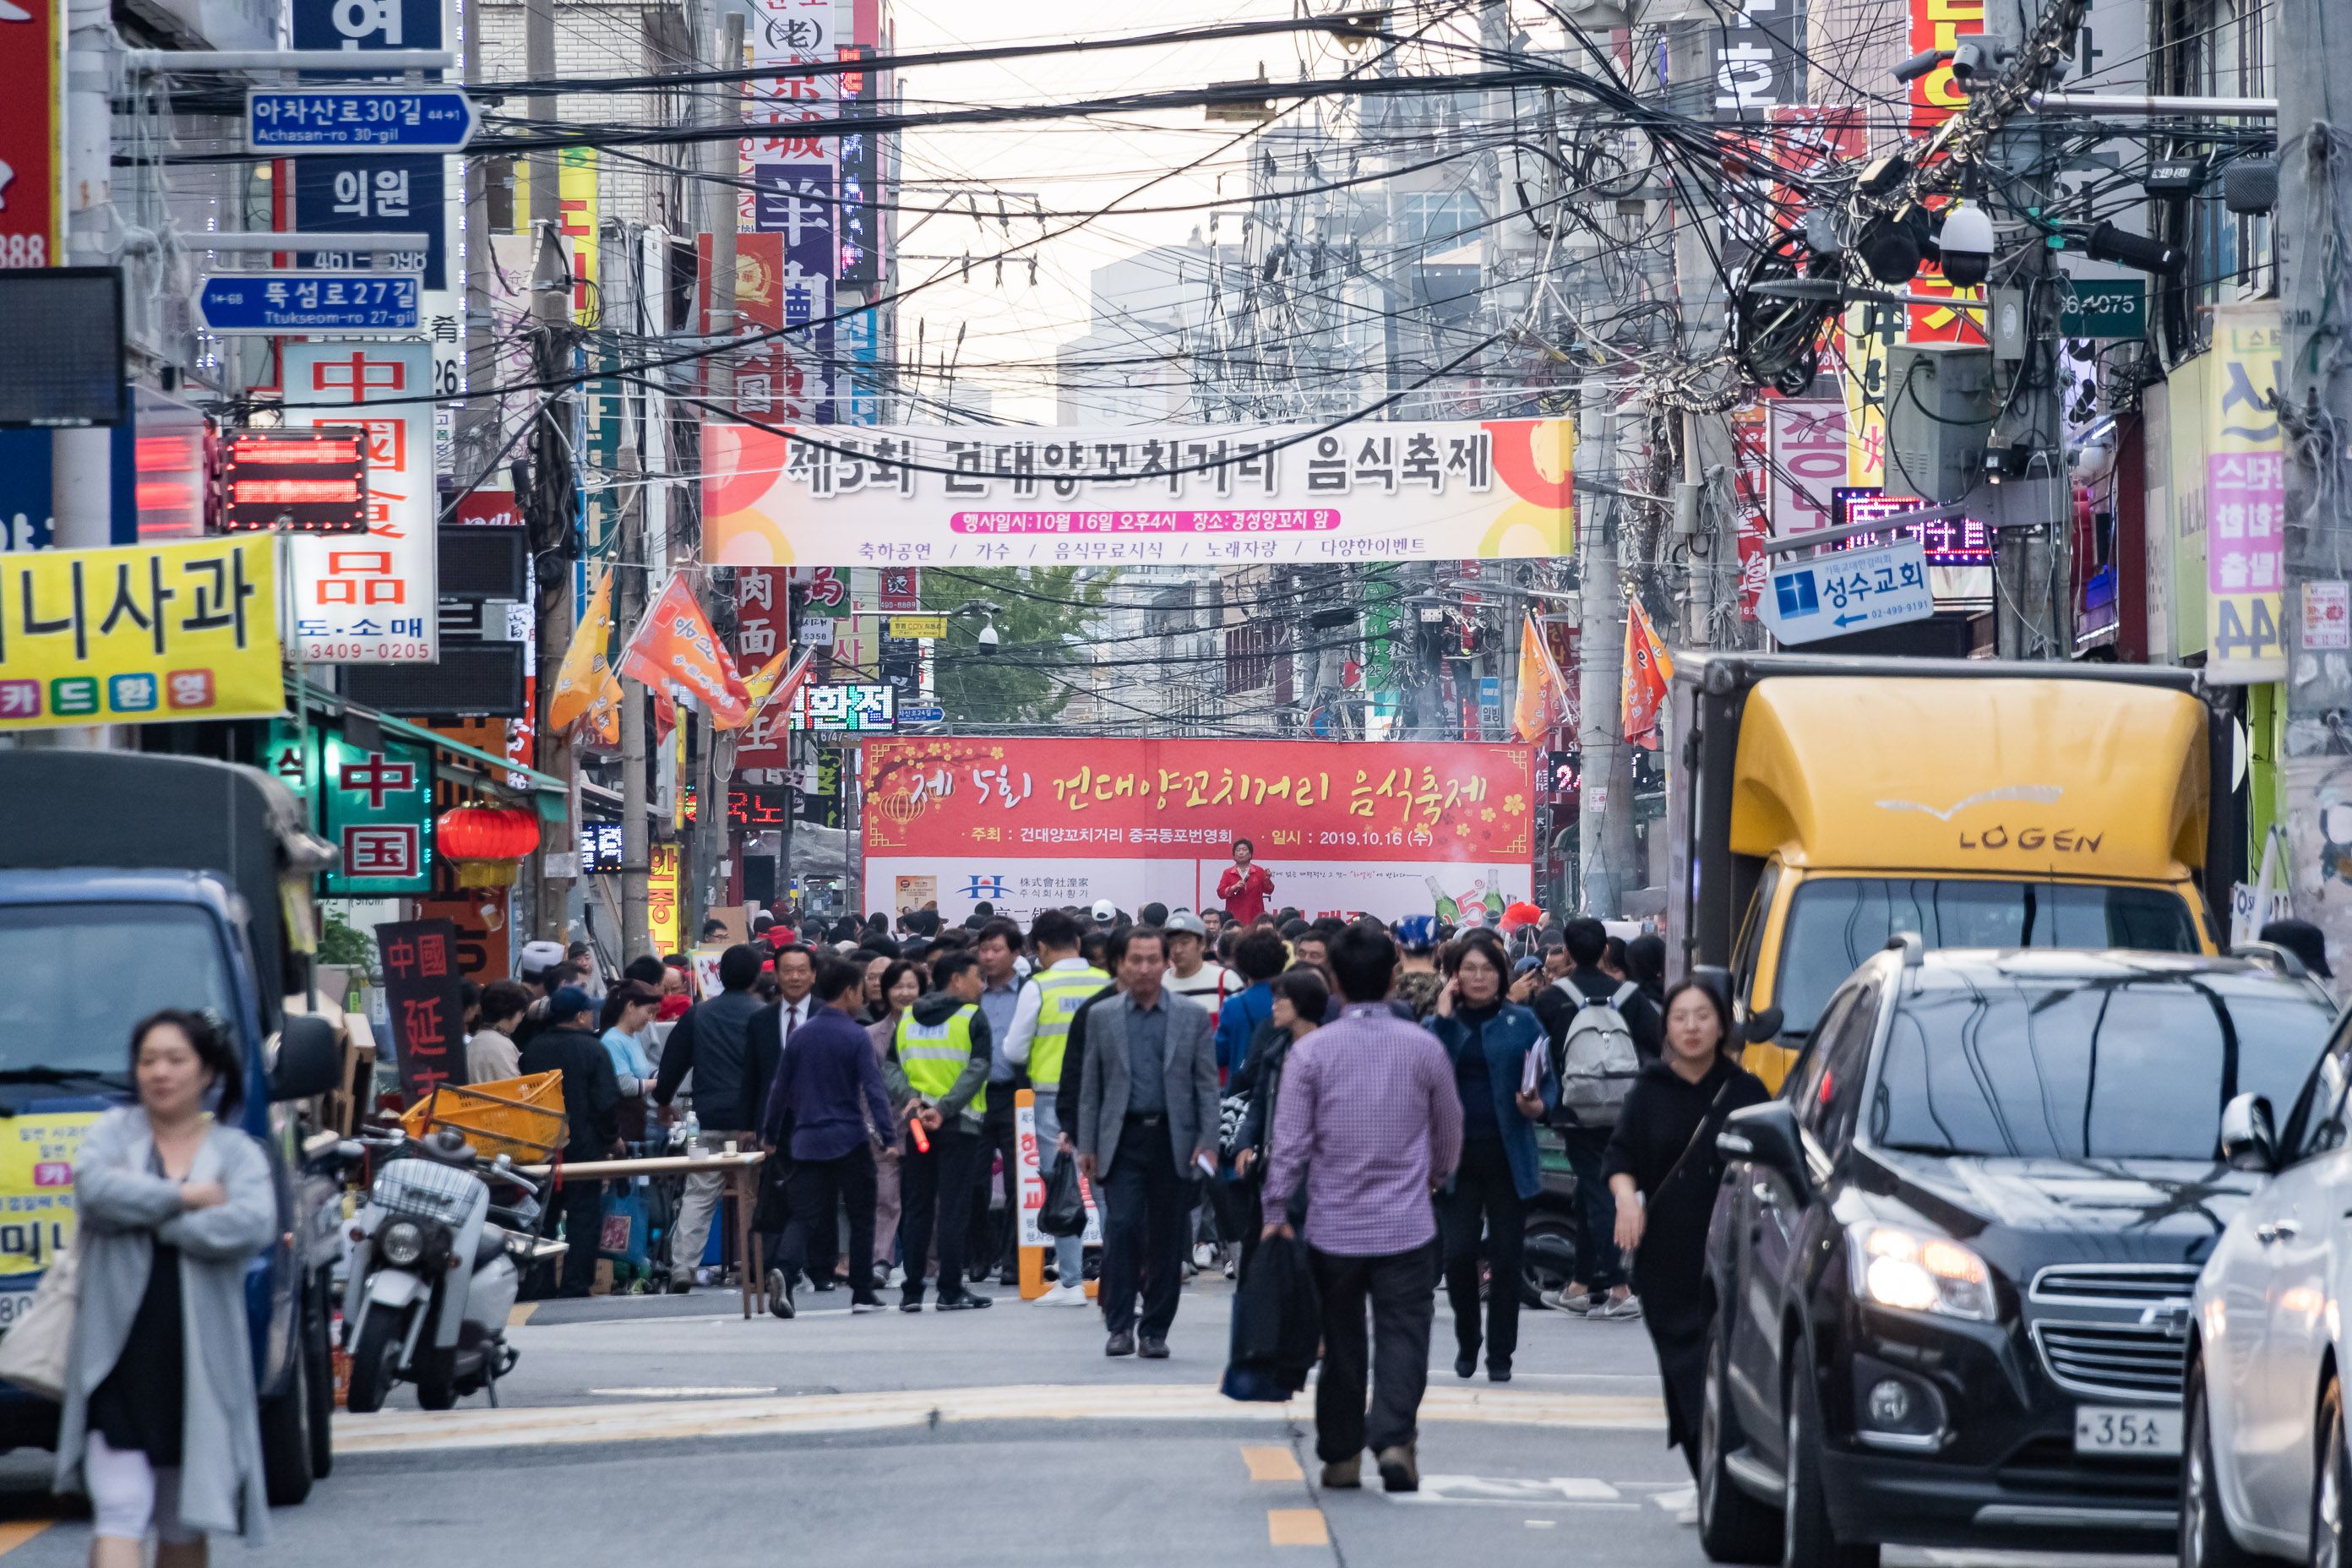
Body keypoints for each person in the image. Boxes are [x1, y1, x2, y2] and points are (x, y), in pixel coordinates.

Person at [57, 1010, 275, 1564]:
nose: (159, 1072)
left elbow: (251, 1224)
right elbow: (96, 1191)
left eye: (175, 1060)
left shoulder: (235, 1152)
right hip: (116, 1354)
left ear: (206, 1072)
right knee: (122, 1507)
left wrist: (158, 1220)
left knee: (182, 1519)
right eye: (148, 1060)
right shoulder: (112, 1133)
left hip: (197, 1363)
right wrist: (183, 1197)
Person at [1261, 923, 1460, 1494]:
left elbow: (1292, 1142)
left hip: (1334, 1227)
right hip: (1407, 1223)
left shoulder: (1312, 1053)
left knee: (1342, 1338)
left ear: (1334, 984)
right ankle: (1395, 1439)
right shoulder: (1424, 1046)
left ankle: (1341, 1455)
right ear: (1395, 975)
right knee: (1404, 1335)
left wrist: (1276, 1207)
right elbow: (1449, 1130)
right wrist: (1436, 1176)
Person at [1605, 980, 1769, 1480]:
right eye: (1681, 1017)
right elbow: (1620, 1157)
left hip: (1734, 1252)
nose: (1692, 1027)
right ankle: (1708, 1472)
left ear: (1722, 1025)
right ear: (1666, 1027)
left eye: (1703, 1016)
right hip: (1666, 1257)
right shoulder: (1649, 1089)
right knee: (1683, 1367)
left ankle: (1718, 1476)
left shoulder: (1747, 1092)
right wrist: (1626, 1201)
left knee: (1720, 1366)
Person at [1075, 927, 1219, 1358]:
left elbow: (1207, 1087)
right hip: (1121, 1140)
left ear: (1167, 962)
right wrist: (1087, 1145)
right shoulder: (1102, 1016)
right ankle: (1119, 1325)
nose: (1142, 968)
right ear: (1121, 964)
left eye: (1151, 959)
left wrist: (1207, 1141)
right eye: (1133, 959)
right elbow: (1091, 1088)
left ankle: (1155, 1330)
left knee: (1166, 1236)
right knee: (1121, 1230)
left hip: (1174, 1140)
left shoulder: (1191, 1016)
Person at [1424, 930, 1555, 1383]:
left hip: (1507, 1156)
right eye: (1470, 969)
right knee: (1457, 1255)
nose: (1479, 977)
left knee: (1507, 1257)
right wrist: (1442, 1018)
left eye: (1488, 969)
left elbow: (1548, 1085)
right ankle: (1467, 1337)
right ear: (1454, 975)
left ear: (1501, 975)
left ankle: (1501, 1353)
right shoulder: (1438, 1025)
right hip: (1453, 1158)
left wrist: (1537, 1106)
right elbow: (1425, 1073)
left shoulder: (1524, 1022)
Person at [1532, 916, 1662, 1319]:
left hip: (1574, 1110)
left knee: (1598, 1191)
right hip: (1622, 1108)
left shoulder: (1552, 999)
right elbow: (1657, 1043)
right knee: (1589, 1193)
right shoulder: (1629, 995)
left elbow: (1539, 1055)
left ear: (1567, 952)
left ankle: (1621, 1288)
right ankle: (1579, 1284)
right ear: (1607, 949)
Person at [758, 955, 896, 1317]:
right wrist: (889, 1136)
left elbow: (779, 1090)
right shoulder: (855, 1035)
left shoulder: (801, 1036)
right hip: (849, 1138)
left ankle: (785, 1270)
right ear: (849, 991)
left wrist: (770, 1134)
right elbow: (875, 1089)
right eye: (860, 991)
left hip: (806, 1140)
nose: (863, 998)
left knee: (805, 1214)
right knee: (863, 1214)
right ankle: (863, 1291)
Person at [651, 945, 778, 1293]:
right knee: (752, 1194)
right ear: (756, 976)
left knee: (698, 1192)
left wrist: (664, 1101)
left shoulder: (699, 1014)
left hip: (705, 1122)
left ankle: (683, 1268)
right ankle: (755, 1265)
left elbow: (673, 1063)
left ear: (719, 975)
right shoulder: (765, 1015)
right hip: (751, 1125)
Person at [890, 948, 994, 1311]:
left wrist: (914, 1101)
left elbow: (890, 1068)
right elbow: (978, 1068)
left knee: (917, 1206)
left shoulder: (906, 1019)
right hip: (959, 1126)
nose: (981, 984)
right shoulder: (972, 1018)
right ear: (955, 979)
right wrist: (946, 1108)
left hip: (917, 1125)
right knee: (953, 1208)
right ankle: (950, 1288)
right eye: (976, 976)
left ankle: (912, 1290)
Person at [1018, 910, 1109, 1305]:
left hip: (1053, 1095)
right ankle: (1119, 1275)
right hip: (1106, 1095)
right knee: (1108, 1187)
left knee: (1062, 1185)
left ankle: (1071, 1281)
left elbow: (1014, 1048)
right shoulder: (1107, 982)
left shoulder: (1039, 986)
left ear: (1040, 947)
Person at [521, 986, 623, 1297]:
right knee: (583, 1216)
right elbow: (606, 1102)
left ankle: (540, 1283)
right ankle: (576, 1283)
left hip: (541, 1148)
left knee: (544, 1218)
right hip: (584, 1146)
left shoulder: (533, 1049)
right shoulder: (594, 1050)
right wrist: (611, 1139)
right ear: (580, 1015)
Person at [1228, 967, 1326, 1275]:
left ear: (1301, 1003)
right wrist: (1244, 1143)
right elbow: (1258, 1103)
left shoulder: (1330, 1049)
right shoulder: (1274, 1050)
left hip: (1321, 1164)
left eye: (1280, 998)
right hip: (1276, 1160)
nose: (1273, 1005)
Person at [969, 919, 1038, 1286]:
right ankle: (982, 1254)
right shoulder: (970, 992)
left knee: (1017, 1180)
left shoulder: (1030, 991)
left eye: (997, 949)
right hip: (975, 1097)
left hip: (1017, 1095)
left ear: (1016, 952)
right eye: (984, 950)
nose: (989, 956)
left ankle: (1014, 1259)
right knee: (975, 1181)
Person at [864, 961, 923, 1288]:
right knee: (885, 1199)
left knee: (922, 1200)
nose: (904, 993)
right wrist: (873, 1129)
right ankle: (880, 1261)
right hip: (883, 1132)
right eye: (897, 987)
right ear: (885, 992)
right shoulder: (870, 1036)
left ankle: (925, 1261)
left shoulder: (934, 1033)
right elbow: (864, 1089)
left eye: (911, 986)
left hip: (925, 1129)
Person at [1213, 926, 1289, 1082]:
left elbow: (1218, 1054)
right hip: (1279, 1087)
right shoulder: (1292, 1002)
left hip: (1240, 1091)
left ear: (1241, 964)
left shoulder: (1233, 1005)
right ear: (1281, 961)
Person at [596, 979, 660, 1141]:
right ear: (631, 1006)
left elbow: (642, 1071)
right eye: (649, 1011)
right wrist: (659, 1083)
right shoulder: (613, 1040)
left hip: (637, 1120)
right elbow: (626, 1086)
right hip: (623, 1124)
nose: (651, 1018)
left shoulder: (632, 1037)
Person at [1162, 911, 1232, 1019]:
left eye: (1184, 942)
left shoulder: (1226, 980)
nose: (1177, 950)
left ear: (1202, 943)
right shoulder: (1160, 984)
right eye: (1171, 943)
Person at [468, 980, 531, 1082]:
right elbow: (514, 1089)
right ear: (510, 1012)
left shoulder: (474, 1041)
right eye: (521, 1013)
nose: (521, 1019)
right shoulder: (502, 1045)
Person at [1217, 838, 1274, 926]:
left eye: (1244, 850)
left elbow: (1269, 890)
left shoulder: (1258, 871)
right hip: (1234, 916)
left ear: (1250, 854)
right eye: (1238, 850)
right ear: (1234, 855)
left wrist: (1267, 880)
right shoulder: (1228, 873)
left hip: (1255, 916)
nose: (1241, 853)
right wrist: (1233, 888)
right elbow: (1220, 893)